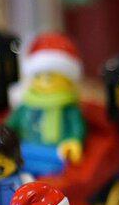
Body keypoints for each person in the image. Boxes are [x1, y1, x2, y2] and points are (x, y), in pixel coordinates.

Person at [8, 32, 86, 177]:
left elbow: (76, 128)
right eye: (38, 76)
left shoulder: (68, 108)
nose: (44, 82)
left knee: (52, 172)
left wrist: (73, 141)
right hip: (26, 149)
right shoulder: (26, 105)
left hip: (55, 152)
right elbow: (13, 123)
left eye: (50, 78)